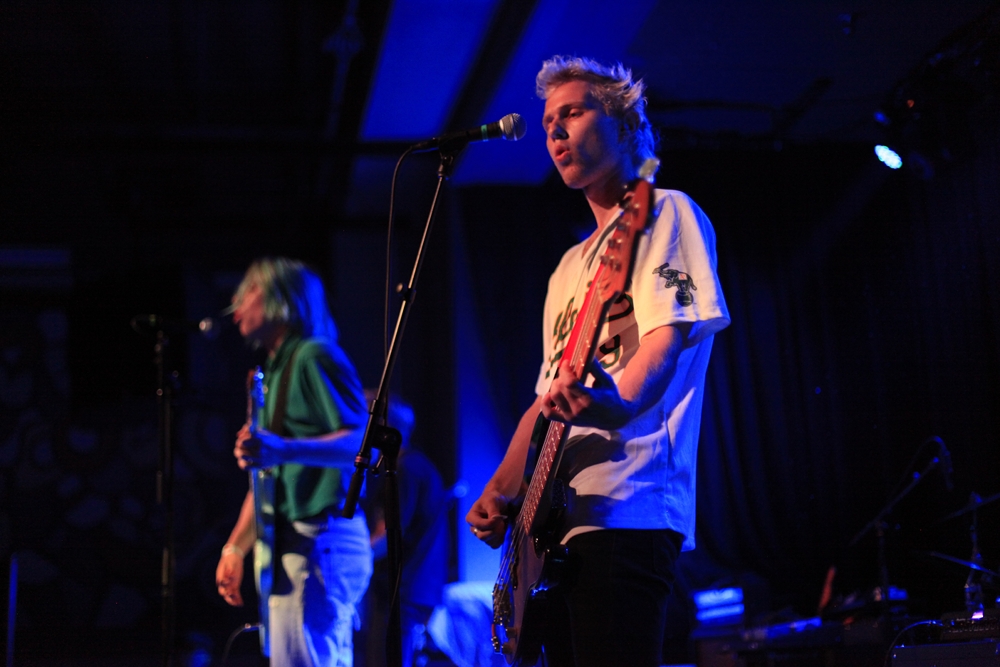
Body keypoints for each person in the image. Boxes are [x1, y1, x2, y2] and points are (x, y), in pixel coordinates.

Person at [465, 56, 731, 667]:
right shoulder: (566, 269)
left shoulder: (666, 213)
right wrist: (500, 490)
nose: (554, 131)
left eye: (573, 113)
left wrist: (619, 402)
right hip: (554, 526)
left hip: (628, 508)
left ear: (625, 124)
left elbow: (665, 340)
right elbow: (546, 401)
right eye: (547, 122)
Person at [215, 257, 373, 667]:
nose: (236, 303)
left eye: (249, 290)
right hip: (301, 544)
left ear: (282, 299)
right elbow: (269, 478)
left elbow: (363, 442)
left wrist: (282, 449)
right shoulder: (276, 368)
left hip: (321, 539)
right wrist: (235, 547)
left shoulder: (313, 355)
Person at [361, 392, 449, 667]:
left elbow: (388, 534)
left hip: (404, 590)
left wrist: (352, 559)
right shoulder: (418, 465)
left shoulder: (406, 469)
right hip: (414, 588)